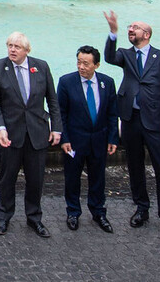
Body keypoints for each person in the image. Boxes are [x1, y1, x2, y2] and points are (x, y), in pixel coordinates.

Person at [103, 11, 160, 243]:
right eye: (129, 27)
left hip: (157, 122)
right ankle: (141, 208)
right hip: (130, 120)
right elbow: (108, 57)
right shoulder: (125, 55)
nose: (130, 29)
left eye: (134, 27)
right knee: (134, 167)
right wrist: (113, 32)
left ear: (146, 34)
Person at [0, 32, 62, 238]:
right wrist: (1, 128)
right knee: (7, 178)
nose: (12, 49)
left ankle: (34, 218)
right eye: (10, 45)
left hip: (37, 133)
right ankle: (3, 217)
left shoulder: (42, 66)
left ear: (27, 50)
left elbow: (52, 100)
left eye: (17, 47)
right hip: (10, 134)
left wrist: (56, 128)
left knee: (36, 179)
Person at [58, 46, 118, 233]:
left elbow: (112, 113)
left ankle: (98, 211)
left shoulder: (107, 83)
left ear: (96, 65)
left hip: (99, 139)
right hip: (75, 140)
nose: (81, 67)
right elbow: (61, 114)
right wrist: (64, 139)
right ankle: (73, 211)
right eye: (79, 62)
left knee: (98, 177)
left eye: (86, 63)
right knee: (73, 178)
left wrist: (112, 138)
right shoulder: (66, 82)